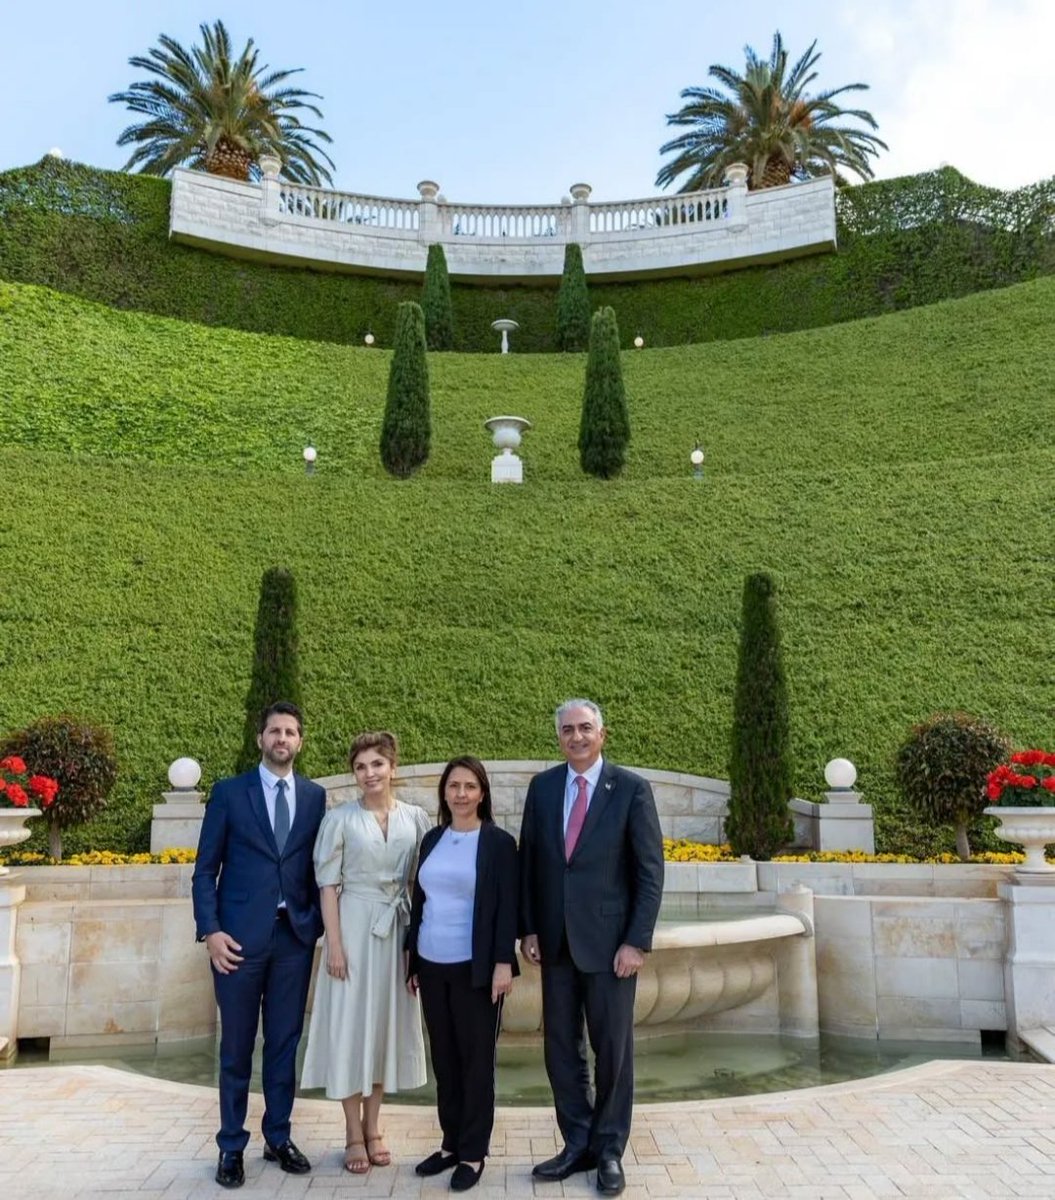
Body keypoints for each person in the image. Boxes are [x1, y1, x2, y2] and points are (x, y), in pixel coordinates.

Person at [518, 699, 664, 1198]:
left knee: (612, 1052)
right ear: (558, 737)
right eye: (567, 730)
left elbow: (649, 872)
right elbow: (530, 862)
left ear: (602, 734)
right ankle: (577, 1142)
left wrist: (636, 942)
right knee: (561, 1049)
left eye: (585, 728)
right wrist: (529, 929)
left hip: (610, 947)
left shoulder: (630, 789)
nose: (576, 737)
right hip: (556, 943)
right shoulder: (542, 788)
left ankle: (609, 1150)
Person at [191, 700, 326, 1190]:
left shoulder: (314, 797)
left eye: (290, 732)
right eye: (274, 731)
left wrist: (317, 925)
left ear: (300, 741)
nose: (282, 739)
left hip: (294, 939)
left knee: (284, 1043)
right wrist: (211, 931)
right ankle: (231, 1146)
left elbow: (318, 868)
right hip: (237, 942)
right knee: (236, 1046)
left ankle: (278, 1136)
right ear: (260, 739)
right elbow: (205, 870)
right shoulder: (230, 793)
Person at [300, 730, 430, 1173]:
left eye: (377, 764)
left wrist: (415, 947)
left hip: (396, 930)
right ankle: (352, 1133)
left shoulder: (416, 818)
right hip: (352, 929)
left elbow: (419, 885)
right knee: (351, 1027)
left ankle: (374, 1128)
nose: (369, 773)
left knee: (381, 1029)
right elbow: (327, 885)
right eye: (360, 767)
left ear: (393, 767)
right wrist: (334, 945)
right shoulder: (339, 820)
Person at [406, 756, 519, 1193]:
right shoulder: (433, 839)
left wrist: (503, 963)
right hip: (432, 965)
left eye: (470, 786)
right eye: (454, 786)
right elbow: (420, 902)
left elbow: (507, 906)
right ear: (444, 792)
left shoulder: (498, 843)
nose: (461, 794)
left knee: (476, 1063)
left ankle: (473, 1152)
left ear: (482, 793)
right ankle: (451, 1143)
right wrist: (413, 962)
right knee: (445, 1060)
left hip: (476, 970)